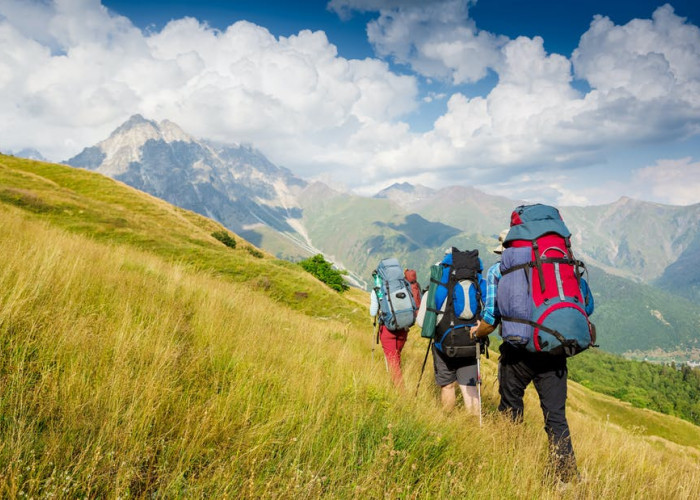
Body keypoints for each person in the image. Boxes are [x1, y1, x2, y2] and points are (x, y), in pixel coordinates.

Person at [471, 228, 594, 483]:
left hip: (517, 353)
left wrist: (477, 332)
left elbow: (491, 318)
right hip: (553, 351)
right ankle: (567, 479)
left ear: (505, 249)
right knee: (556, 417)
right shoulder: (558, 264)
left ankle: (511, 467)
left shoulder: (498, 272)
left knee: (510, 407)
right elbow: (587, 306)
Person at [417, 248, 486, 414]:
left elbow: (421, 322)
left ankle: (449, 420)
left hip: (444, 345)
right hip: (471, 341)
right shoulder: (478, 281)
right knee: (469, 387)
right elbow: (488, 310)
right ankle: (475, 429)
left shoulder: (440, 283)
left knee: (447, 386)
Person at [370, 283, 409, 389]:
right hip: (403, 326)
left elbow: (373, 312)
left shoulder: (377, 289)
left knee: (392, 361)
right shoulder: (403, 284)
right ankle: (395, 383)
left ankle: (401, 393)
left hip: (387, 328)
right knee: (396, 356)